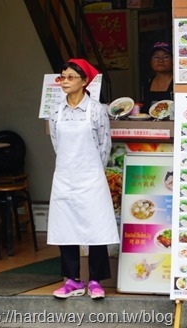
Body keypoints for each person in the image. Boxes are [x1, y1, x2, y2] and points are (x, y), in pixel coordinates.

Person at [47, 58, 120, 299]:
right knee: (65, 228)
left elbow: (104, 145)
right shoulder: (56, 111)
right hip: (65, 176)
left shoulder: (97, 110)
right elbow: (57, 143)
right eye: (62, 77)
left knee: (96, 228)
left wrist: (92, 172)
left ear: (85, 81)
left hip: (91, 177)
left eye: (70, 77)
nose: (65, 82)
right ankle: (72, 280)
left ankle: (96, 280)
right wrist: (70, 168)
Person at [141, 42, 174, 114]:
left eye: (165, 57)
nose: (160, 60)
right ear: (150, 61)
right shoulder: (147, 84)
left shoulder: (177, 84)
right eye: (156, 57)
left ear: (173, 60)